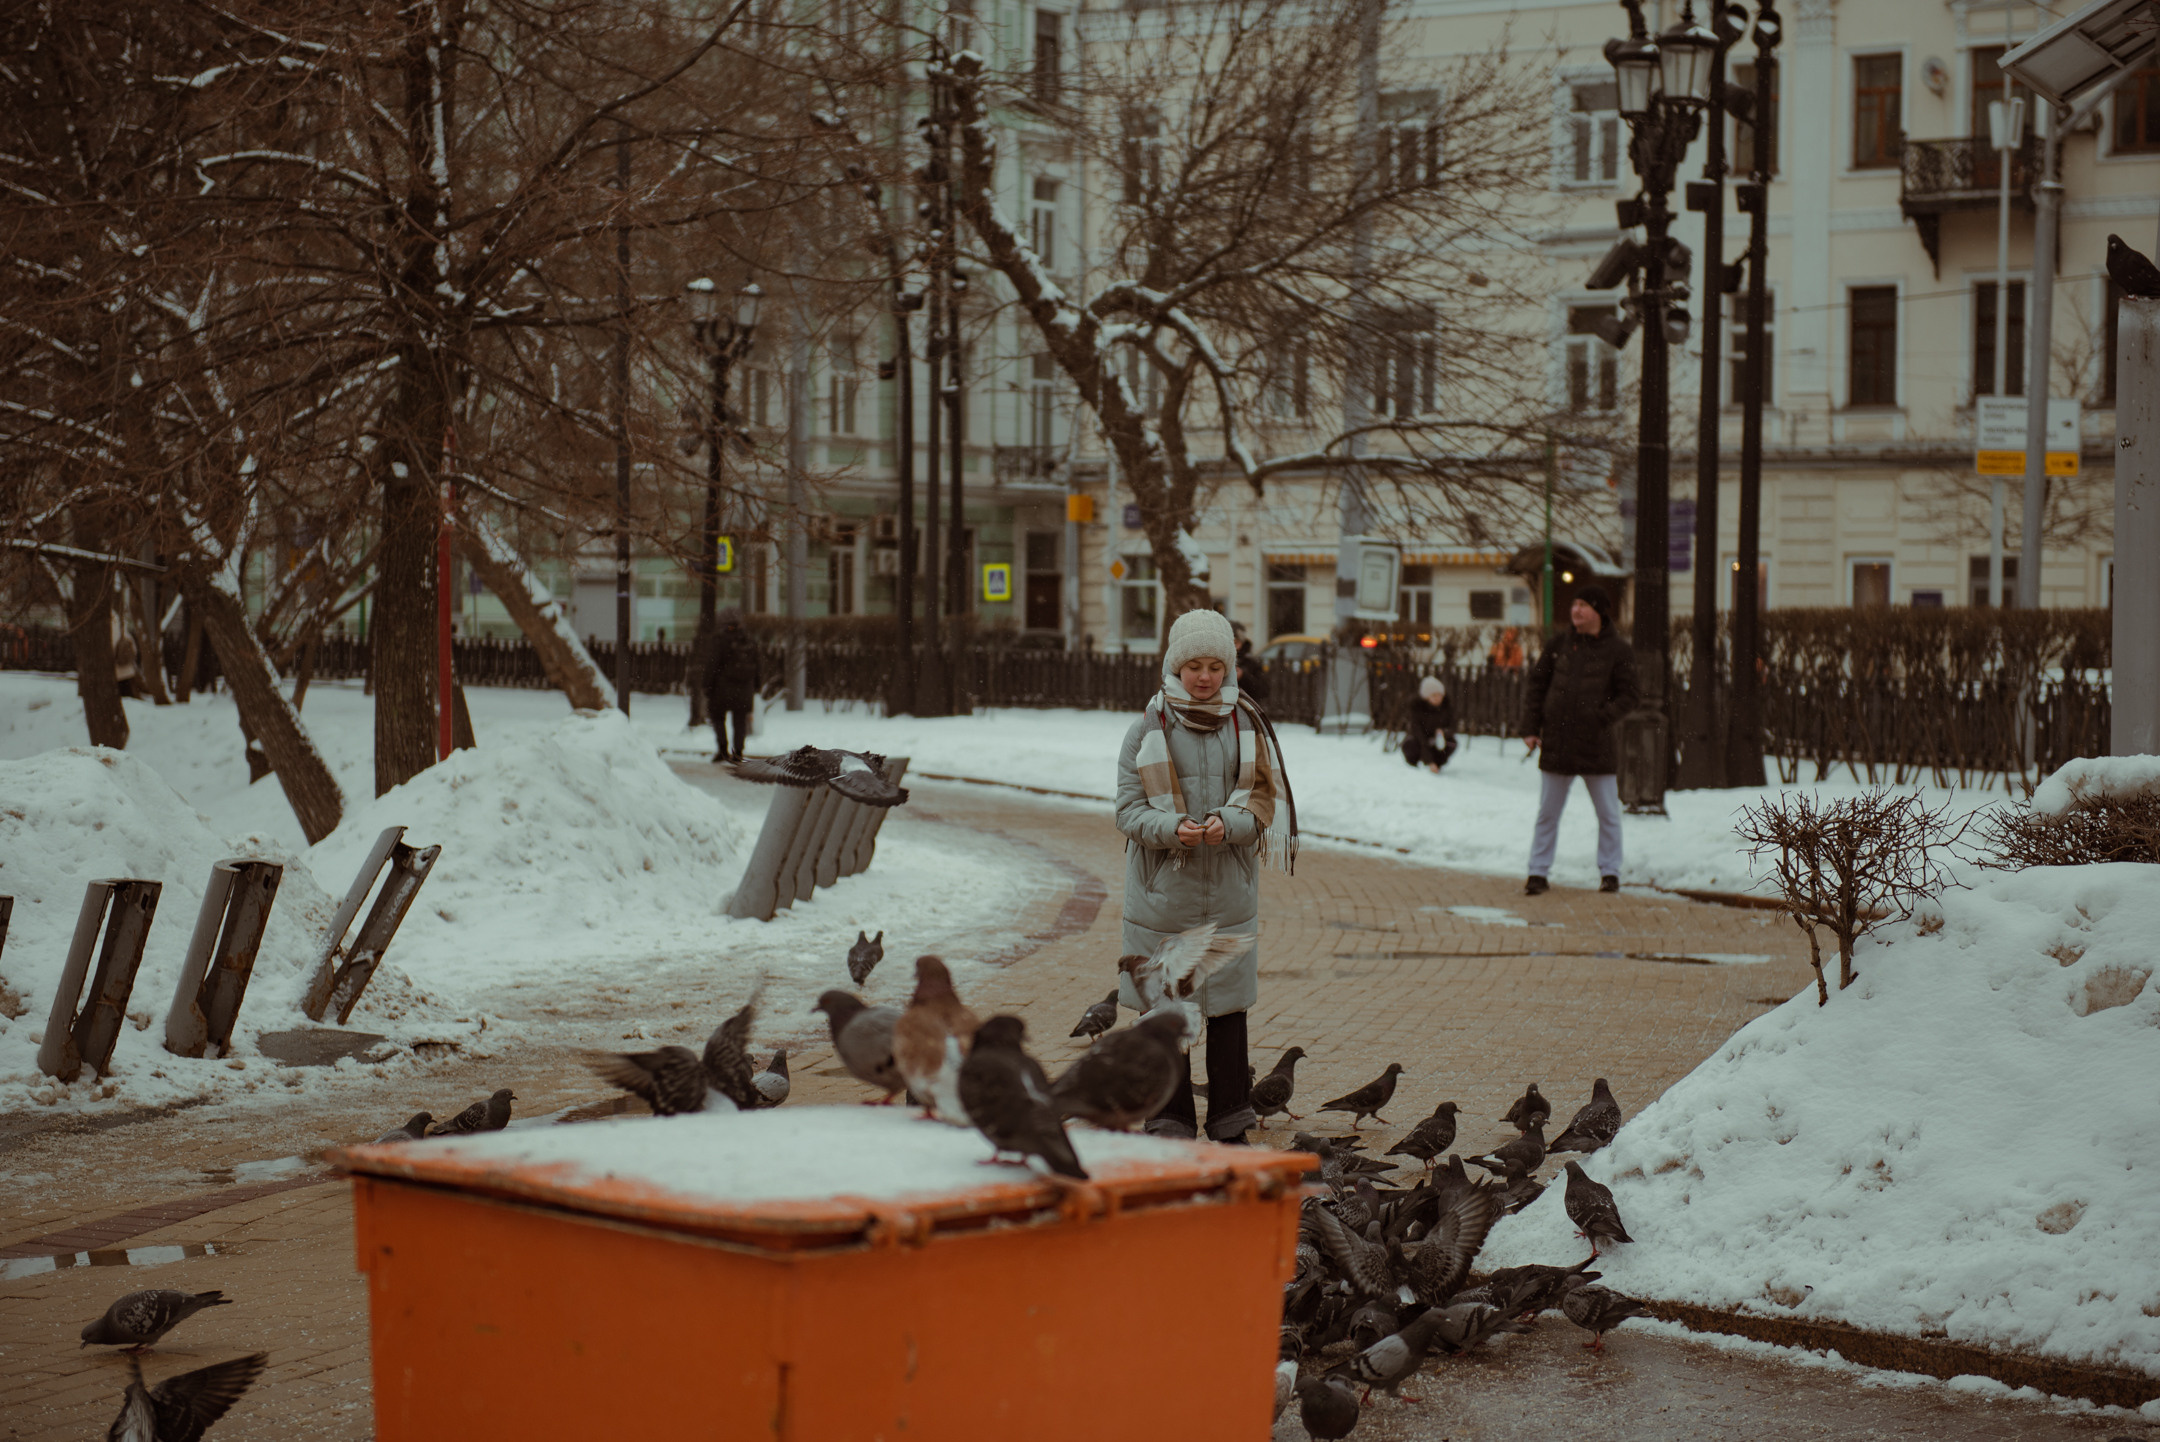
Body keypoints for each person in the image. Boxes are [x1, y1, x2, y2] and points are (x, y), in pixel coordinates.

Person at [1115, 608, 1298, 1142]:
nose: (1204, 676)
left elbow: (1262, 803)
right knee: (1166, 1012)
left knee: (1227, 1014)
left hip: (1228, 890)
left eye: (1214, 665)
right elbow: (1127, 811)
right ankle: (1169, 1116)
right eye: (1193, 665)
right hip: (1161, 894)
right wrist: (1174, 827)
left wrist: (1230, 823)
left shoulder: (1249, 726)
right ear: (1175, 665)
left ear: (1229, 667)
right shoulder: (1145, 730)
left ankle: (1230, 1119)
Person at [1520, 585, 1638, 896]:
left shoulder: (1619, 651)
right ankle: (1537, 872)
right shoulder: (1558, 644)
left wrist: (1601, 717)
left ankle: (1610, 872)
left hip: (1596, 745)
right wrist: (1531, 728)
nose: (1576, 611)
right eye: (1574, 605)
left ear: (1599, 612)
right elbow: (1537, 686)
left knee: (1608, 814)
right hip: (1557, 742)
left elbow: (1630, 695)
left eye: (1583, 605)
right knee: (1547, 812)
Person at [704, 608, 760, 764]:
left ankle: (722, 750)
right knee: (740, 721)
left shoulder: (721, 639)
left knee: (718, 718)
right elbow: (758, 665)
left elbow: (712, 664)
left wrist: (707, 685)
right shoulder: (749, 640)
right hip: (744, 688)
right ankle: (738, 753)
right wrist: (756, 686)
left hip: (723, 688)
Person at [1402, 676, 1457, 772]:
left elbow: (1453, 727)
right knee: (1411, 744)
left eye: (1440, 695)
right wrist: (1430, 762)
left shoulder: (1447, 707)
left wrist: (1443, 732)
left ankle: (1438, 764)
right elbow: (1419, 735)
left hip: (1438, 739)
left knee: (1451, 743)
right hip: (1420, 740)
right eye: (1434, 695)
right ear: (1426, 697)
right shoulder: (1417, 709)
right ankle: (1415, 766)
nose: (1437, 698)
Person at [1232, 620, 1270, 702]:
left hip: (1246, 707)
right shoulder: (1217, 660)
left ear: (1242, 643)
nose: (1232, 646)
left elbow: (1263, 690)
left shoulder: (1251, 663)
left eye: (1235, 642)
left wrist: (1243, 676)